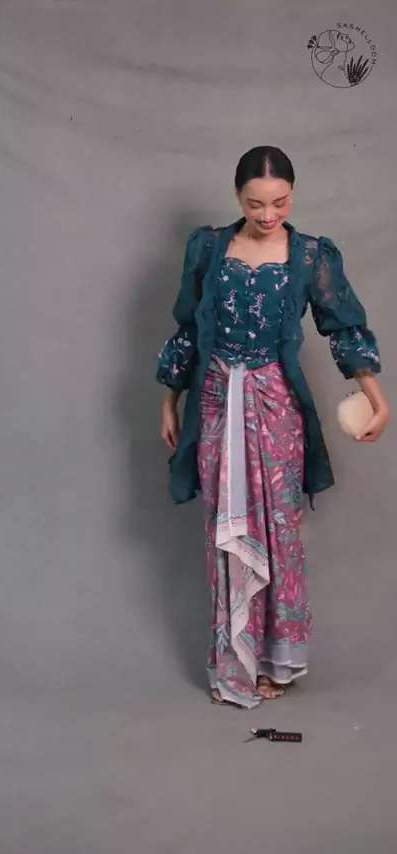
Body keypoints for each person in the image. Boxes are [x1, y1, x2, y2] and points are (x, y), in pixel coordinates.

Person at [156, 146, 389, 708]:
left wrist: (377, 399)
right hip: (215, 400)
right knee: (222, 526)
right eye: (255, 203)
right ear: (237, 196)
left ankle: (275, 660)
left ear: (293, 194)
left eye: (280, 202)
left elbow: (344, 328)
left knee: (278, 528)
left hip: (276, 406)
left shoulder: (310, 256)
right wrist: (170, 400)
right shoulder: (209, 248)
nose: (268, 215)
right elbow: (188, 329)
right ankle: (232, 661)